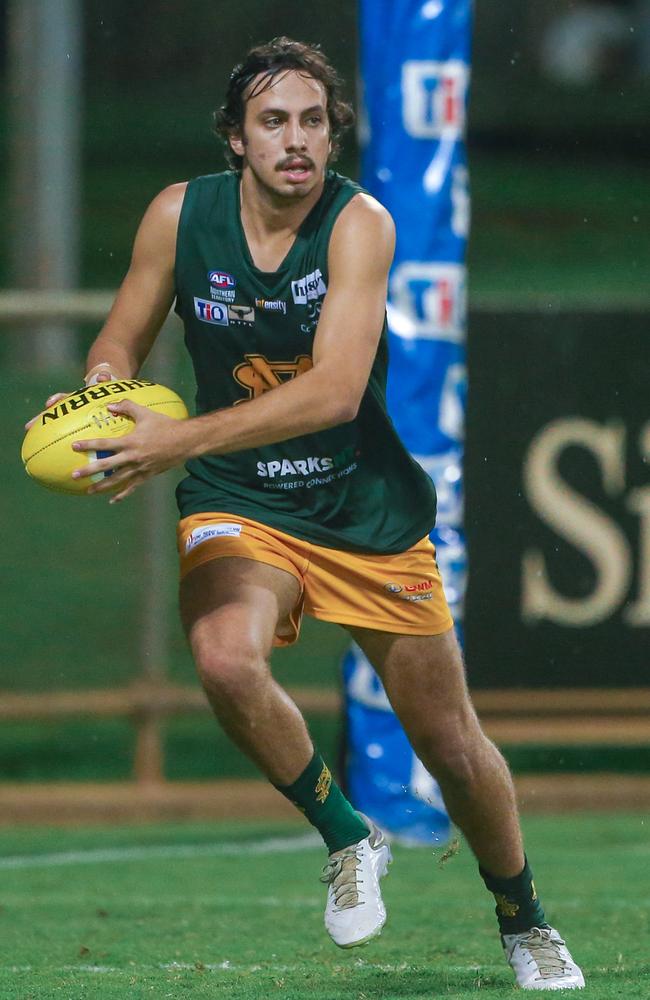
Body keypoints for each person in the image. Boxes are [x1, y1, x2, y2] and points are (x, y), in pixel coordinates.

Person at [36, 37, 584, 990]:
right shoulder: (180, 216)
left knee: (450, 743)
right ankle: (346, 834)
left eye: (314, 121)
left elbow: (334, 393)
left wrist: (178, 439)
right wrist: (96, 398)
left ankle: (523, 915)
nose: (297, 140)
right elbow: (120, 338)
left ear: (335, 135)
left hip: (359, 501)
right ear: (236, 140)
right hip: (241, 497)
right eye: (274, 122)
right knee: (221, 657)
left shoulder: (358, 224)